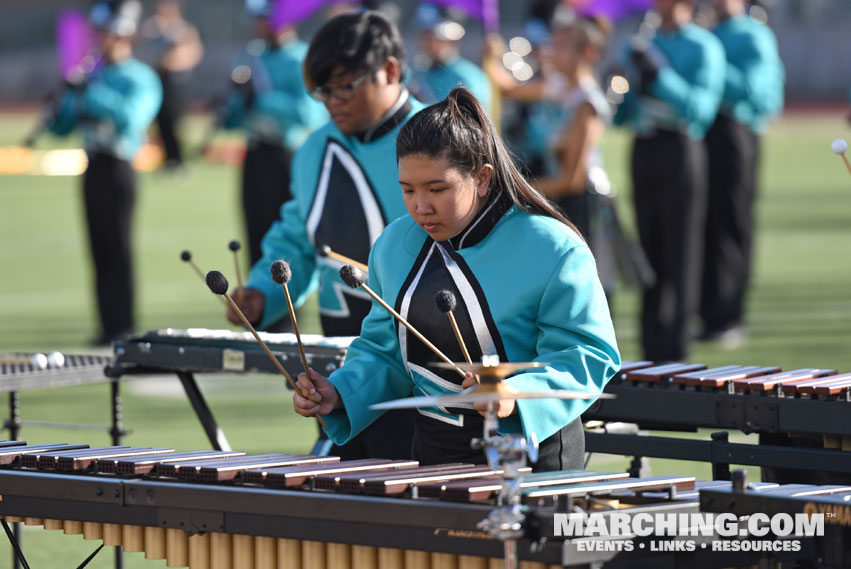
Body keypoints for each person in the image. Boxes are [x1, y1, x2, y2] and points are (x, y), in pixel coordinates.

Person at [293, 88, 620, 471]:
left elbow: (587, 354)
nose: (421, 207)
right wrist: (341, 391)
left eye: (437, 189)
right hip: (435, 452)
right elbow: (388, 352)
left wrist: (517, 395)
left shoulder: (552, 247)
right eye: (408, 190)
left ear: (482, 178)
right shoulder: (393, 245)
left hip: (533, 453)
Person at [227, 10, 424, 460]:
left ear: (390, 70)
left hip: (431, 365)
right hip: (347, 364)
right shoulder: (314, 148)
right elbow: (298, 238)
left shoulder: (439, 136)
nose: (332, 101)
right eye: (322, 91)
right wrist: (262, 291)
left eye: (344, 86)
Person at [613, 0, 725, 362]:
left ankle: (676, 349)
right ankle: (650, 348)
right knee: (649, 248)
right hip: (644, 148)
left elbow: (699, 111)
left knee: (681, 250)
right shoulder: (643, 43)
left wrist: (660, 74)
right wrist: (622, 85)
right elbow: (622, 115)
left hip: (680, 148)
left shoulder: (703, 46)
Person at [48, 0, 162, 346]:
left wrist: (91, 94)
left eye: (107, 31)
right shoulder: (91, 73)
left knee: (118, 246)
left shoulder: (139, 76)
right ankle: (107, 325)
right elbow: (63, 126)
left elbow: (131, 118)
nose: (100, 38)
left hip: (119, 165)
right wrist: (60, 105)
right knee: (97, 247)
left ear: (124, 33)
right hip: (93, 164)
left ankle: (124, 325)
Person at [698, 0, 784, 348]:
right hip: (704, 131)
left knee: (733, 222)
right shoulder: (708, 33)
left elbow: (755, 91)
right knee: (704, 224)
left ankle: (730, 315)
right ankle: (706, 313)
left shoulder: (753, 34)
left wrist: (710, 60)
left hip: (736, 132)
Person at [222, 1, 328, 268]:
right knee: (255, 234)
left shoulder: (303, 57)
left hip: (287, 155)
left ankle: (289, 306)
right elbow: (235, 119)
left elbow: (308, 113)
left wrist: (261, 99)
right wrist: (233, 104)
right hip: (255, 153)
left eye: (265, 19)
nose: (259, 26)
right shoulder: (250, 57)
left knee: (287, 237)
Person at [142, 0, 203, 173]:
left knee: (174, 120)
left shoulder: (182, 28)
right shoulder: (153, 26)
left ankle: (179, 159)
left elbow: (192, 50)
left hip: (176, 79)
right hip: (159, 78)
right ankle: (168, 159)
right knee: (161, 121)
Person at [408, 4, 492, 114]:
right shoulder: (417, 73)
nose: (426, 42)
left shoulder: (468, 76)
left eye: (433, 36)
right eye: (424, 35)